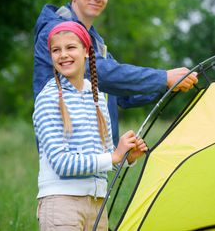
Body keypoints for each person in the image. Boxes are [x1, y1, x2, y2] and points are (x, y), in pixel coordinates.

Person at [34, 0, 198, 146]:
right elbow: (99, 72)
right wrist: (162, 77)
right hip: (69, 149)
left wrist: (169, 85)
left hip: (100, 154)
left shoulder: (96, 42)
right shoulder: (57, 32)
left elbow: (123, 95)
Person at [33, 21, 148, 231]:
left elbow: (102, 160)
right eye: (56, 50)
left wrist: (125, 157)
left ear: (86, 51)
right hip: (62, 205)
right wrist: (113, 157)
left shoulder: (96, 98)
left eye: (70, 47)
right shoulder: (48, 99)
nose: (63, 55)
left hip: (97, 204)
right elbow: (62, 163)